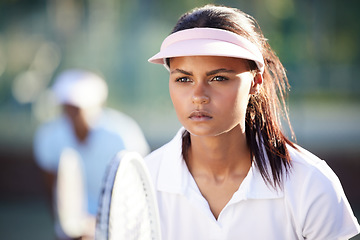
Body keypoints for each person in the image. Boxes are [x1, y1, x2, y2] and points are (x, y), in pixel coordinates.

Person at [145, 4, 360, 240]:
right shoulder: (143, 183)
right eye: (183, 78)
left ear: (255, 82)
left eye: (218, 78)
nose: (198, 95)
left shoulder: (310, 183)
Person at [33, 69, 150, 239]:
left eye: (77, 107)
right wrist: (69, 227)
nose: (71, 113)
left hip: (119, 226)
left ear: (96, 105)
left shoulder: (124, 133)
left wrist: (106, 224)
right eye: (66, 107)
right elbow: (52, 188)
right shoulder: (48, 136)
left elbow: (137, 189)